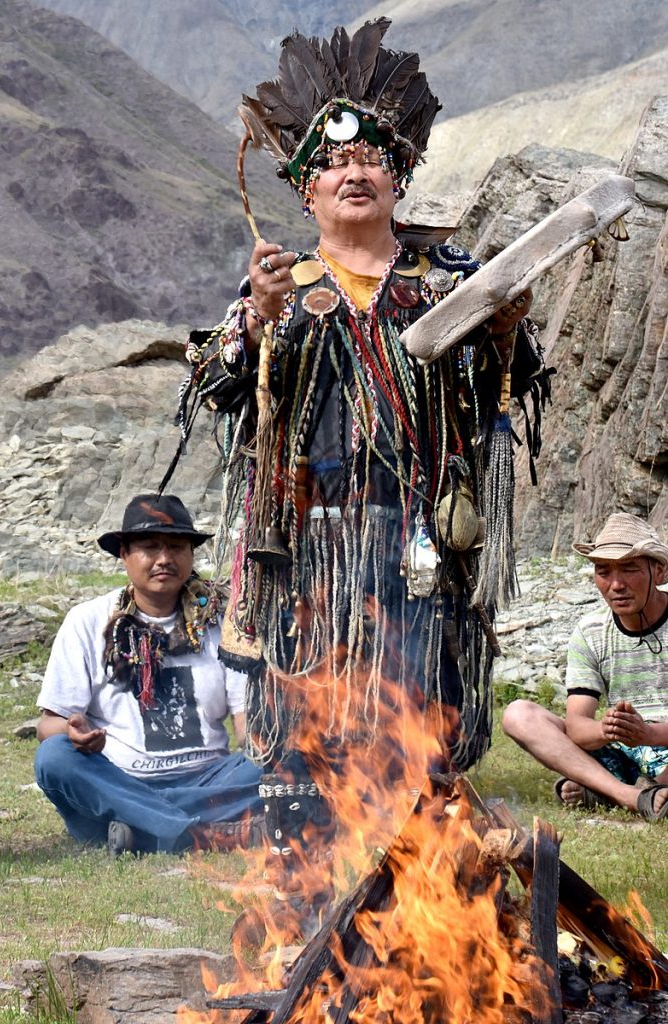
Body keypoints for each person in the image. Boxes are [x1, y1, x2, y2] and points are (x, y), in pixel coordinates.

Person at [169, 19, 551, 937]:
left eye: (374, 160)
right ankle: (303, 923)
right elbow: (216, 389)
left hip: (423, 542)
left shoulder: (447, 284)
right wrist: (256, 324)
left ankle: (422, 919)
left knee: (420, 728)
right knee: (307, 725)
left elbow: (515, 383)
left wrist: (500, 328)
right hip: (306, 546)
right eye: (334, 165)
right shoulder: (281, 286)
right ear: (305, 189)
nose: (355, 173)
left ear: (399, 177)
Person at [35, 493, 264, 856]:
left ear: (191, 555)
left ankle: (139, 828)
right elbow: (48, 727)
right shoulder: (87, 621)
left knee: (285, 765)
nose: (164, 559)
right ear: (124, 554)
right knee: (54, 759)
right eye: (150, 547)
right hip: (117, 778)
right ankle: (199, 832)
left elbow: (244, 720)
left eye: (176, 547)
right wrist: (72, 732)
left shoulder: (222, 620)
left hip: (208, 778)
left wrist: (272, 747)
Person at [502, 512, 668, 821]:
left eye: (630, 569)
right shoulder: (591, 632)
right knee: (518, 715)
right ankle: (631, 795)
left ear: (658, 572)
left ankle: (625, 789)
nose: (616, 584)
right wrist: (608, 729)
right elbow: (578, 727)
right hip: (623, 748)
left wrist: (648, 733)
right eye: (603, 571)